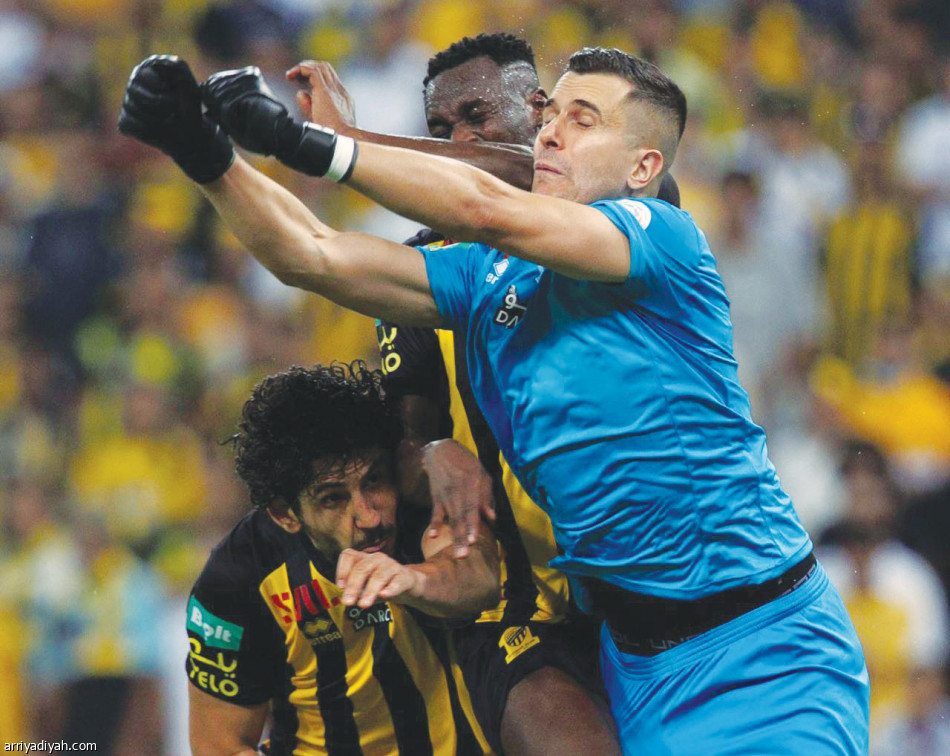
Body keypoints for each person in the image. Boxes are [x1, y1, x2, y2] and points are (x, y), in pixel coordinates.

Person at [119, 46, 870, 753]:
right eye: (552, 115)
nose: (552, 132)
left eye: (583, 120)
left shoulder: (659, 236)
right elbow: (314, 255)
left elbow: (488, 205)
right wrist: (206, 155)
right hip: (636, 665)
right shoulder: (484, 279)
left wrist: (311, 142)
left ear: (644, 166)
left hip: (761, 649)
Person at [296, 34, 622, 756]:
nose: (458, 142)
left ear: (540, 113)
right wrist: (435, 447)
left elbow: (519, 179)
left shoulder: (619, 213)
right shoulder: (423, 269)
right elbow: (408, 451)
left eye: (477, 117)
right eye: (441, 129)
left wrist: (351, 144)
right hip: (516, 611)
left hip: (646, 594)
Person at [186, 361, 499, 755]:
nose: (369, 517)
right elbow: (221, 746)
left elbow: (482, 578)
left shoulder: (419, 500)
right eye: (333, 498)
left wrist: (414, 580)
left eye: (374, 480)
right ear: (285, 515)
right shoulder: (240, 575)